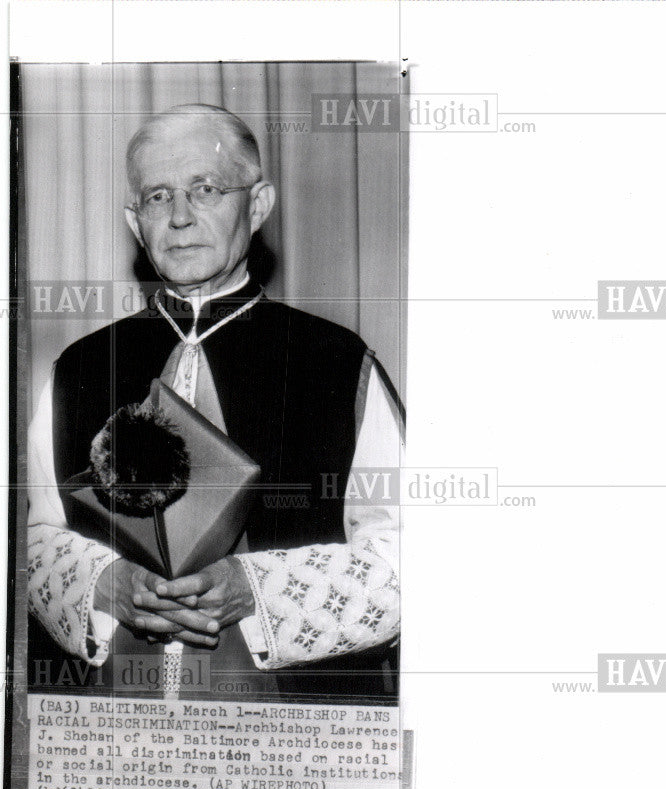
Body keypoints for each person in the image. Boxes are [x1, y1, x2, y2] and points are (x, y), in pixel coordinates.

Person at [27, 103, 402, 700]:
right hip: (113, 733)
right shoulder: (79, 368)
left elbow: (405, 555)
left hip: (293, 737)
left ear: (258, 206)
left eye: (206, 189)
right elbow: (34, 538)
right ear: (134, 221)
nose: (179, 217)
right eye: (157, 196)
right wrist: (104, 583)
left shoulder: (337, 362)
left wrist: (256, 590)